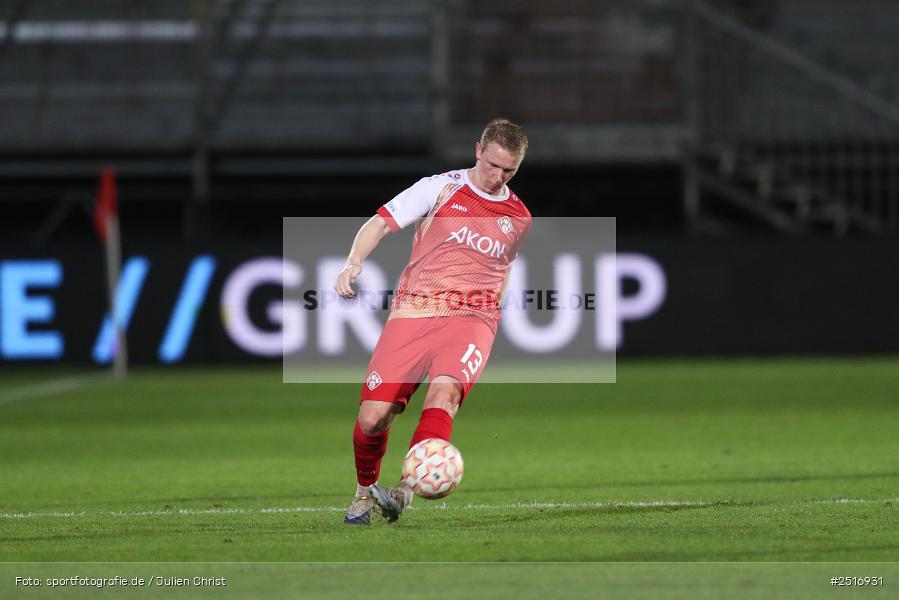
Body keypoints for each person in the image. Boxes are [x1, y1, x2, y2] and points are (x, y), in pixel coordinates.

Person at [335, 118, 532, 525]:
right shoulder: (439, 188)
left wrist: (493, 312)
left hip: (472, 318)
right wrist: (353, 262)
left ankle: (405, 490)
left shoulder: (519, 217)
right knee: (373, 418)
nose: (498, 177)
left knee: (444, 397)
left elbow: (505, 266)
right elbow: (380, 222)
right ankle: (364, 490)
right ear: (478, 150)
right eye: (493, 165)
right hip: (415, 312)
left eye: (508, 170)